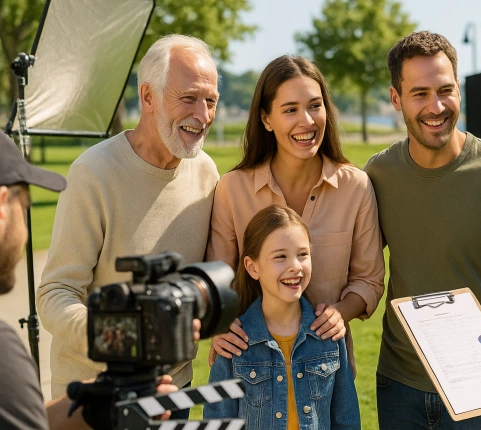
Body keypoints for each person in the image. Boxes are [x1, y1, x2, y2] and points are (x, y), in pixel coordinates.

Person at [364, 31, 481, 430]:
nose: (436, 107)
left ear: (459, 91)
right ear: (396, 98)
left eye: (445, 90)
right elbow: (355, 267)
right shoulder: (378, 175)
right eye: (420, 94)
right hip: (399, 386)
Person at [36, 34, 221, 417]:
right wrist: (122, 338)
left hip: (173, 390)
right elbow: (55, 293)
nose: (203, 116)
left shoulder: (206, 173)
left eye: (211, 101)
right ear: (148, 97)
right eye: (188, 98)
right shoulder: (93, 173)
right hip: (96, 397)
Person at [205, 55, 384, 375]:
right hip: (247, 367)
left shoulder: (355, 187)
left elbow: (369, 280)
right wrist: (220, 324)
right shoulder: (232, 189)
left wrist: (340, 312)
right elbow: (220, 278)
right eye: (290, 110)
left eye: (315, 106)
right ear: (266, 118)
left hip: (328, 371)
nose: (307, 120)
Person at [0, 135, 184, 430]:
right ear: (2, 205)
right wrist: (121, 339)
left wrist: (94, 404)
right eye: (25, 205)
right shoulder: (3, 354)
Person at [204, 205, 360, 429]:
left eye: (302, 254)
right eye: (280, 256)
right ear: (252, 267)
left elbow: (347, 420)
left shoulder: (329, 335)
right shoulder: (233, 342)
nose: (295, 266)